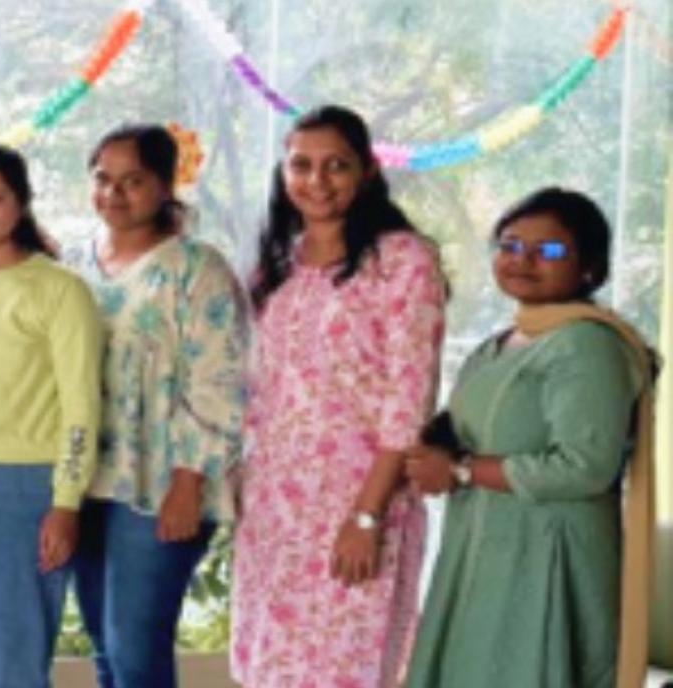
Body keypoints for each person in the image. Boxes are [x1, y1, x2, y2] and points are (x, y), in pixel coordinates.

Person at [403, 188, 656, 688]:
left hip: (547, 560)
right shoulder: (498, 345)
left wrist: (460, 470)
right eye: (510, 244)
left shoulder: (586, 343)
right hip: (483, 549)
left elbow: (584, 466)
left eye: (550, 249)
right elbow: (468, 425)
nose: (523, 259)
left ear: (589, 266)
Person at [230, 105, 444, 688]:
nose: (317, 181)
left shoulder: (403, 260)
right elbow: (260, 391)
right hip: (275, 505)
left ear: (368, 171)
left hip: (358, 498)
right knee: (268, 665)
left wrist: (367, 515)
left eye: (336, 165)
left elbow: (408, 399)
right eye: (301, 165)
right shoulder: (276, 266)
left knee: (344, 666)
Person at [64, 125, 248, 688]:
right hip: (84, 479)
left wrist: (189, 483)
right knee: (104, 648)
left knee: (136, 651)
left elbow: (220, 381)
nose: (113, 193)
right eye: (103, 179)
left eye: (133, 181)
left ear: (167, 185)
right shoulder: (74, 262)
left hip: (161, 482)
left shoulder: (197, 268)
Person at [0, 144, 102, 688]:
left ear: (22, 202)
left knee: (13, 656)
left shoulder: (59, 289)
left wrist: (65, 501)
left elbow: (81, 404)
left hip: (24, 487)